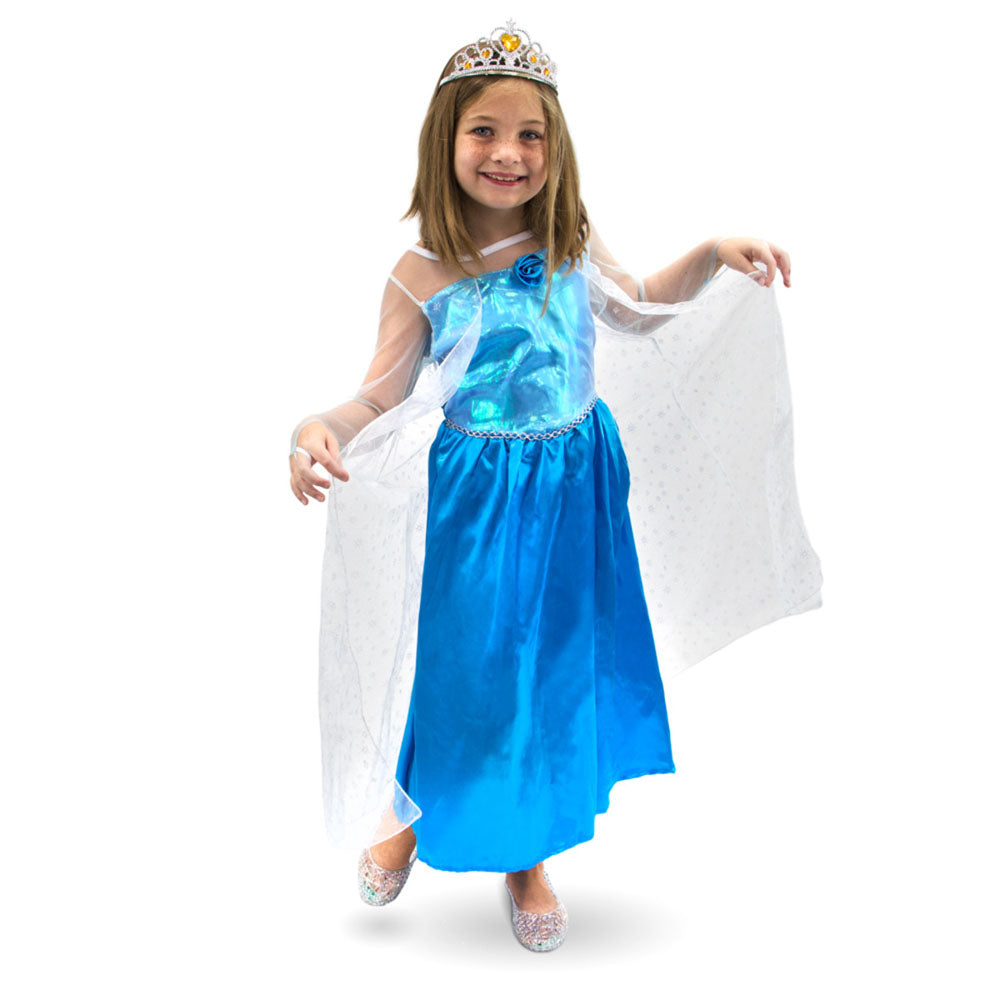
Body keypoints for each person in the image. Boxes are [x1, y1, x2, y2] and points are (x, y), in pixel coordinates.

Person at [287, 21, 822, 953]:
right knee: (468, 673)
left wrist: (708, 254)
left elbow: (636, 308)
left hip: (577, 487)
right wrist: (317, 428)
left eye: (530, 134)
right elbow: (380, 394)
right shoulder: (422, 272)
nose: (509, 152)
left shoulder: (568, 237)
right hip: (481, 502)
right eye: (485, 131)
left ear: (555, 146)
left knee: (556, 668)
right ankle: (412, 813)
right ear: (445, 141)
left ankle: (529, 857)